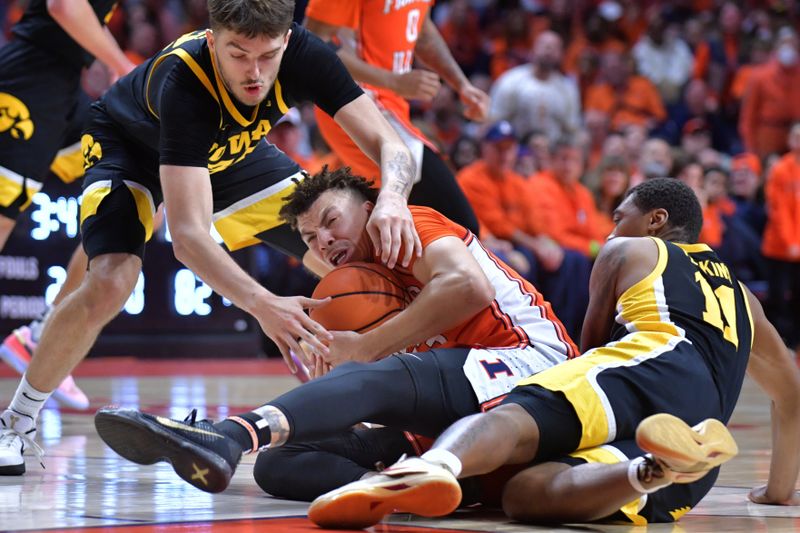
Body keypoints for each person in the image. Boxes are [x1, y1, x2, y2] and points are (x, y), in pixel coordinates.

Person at [0, 0, 426, 475]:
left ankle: (414, 397)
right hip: (130, 146)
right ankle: (15, 423)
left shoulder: (305, 53)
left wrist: (391, 196)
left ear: (286, 40)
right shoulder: (185, 81)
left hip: (232, 157)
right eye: (238, 55)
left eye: (267, 56)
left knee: (350, 255)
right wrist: (263, 304)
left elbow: (392, 145)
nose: (254, 74)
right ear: (211, 38)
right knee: (112, 279)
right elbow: (188, 237)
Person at [310, 178, 800, 528]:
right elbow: (792, 395)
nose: (610, 232)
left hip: (646, 366)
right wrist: (777, 493)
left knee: (525, 410)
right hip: (698, 423)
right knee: (526, 497)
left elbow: (589, 353)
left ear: (656, 221)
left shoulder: (629, 252)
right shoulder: (747, 300)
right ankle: (650, 469)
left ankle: (432, 469)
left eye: (618, 218)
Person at [92, 165, 578, 497]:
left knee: (387, 371)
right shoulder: (354, 289)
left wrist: (364, 349)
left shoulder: (410, 226)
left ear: (370, 209)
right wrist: (332, 355)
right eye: (309, 238)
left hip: (534, 370)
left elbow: (467, 287)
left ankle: (226, 436)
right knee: (280, 465)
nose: (323, 241)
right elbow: (370, 371)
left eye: (330, 221)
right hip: (460, 412)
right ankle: (405, 487)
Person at [0, 0, 136, 407]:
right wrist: (122, 65)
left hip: (63, 92)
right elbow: (64, 6)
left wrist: (119, 65)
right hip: (26, 86)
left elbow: (85, 18)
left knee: (133, 185)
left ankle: (45, 334)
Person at [303, 0, 486, 235]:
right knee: (459, 224)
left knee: (422, 232)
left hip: (392, 107)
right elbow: (313, 42)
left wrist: (462, 84)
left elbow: (423, 30)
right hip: (353, 103)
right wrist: (393, 81)